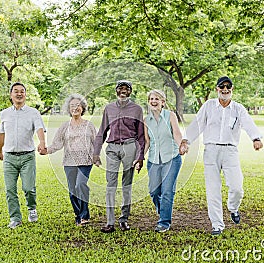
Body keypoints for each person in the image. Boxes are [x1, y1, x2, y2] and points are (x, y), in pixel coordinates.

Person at [181, 76, 263, 236]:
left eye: (228, 87)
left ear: (232, 89)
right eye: (222, 87)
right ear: (217, 89)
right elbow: (198, 124)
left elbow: (248, 122)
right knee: (213, 189)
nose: (225, 90)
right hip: (211, 150)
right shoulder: (209, 106)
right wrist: (186, 141)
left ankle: (233, 208)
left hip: (230, 151)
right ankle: (217, 225)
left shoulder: (238, 108)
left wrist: (256, 138)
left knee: (237, 187)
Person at [93, 80, 145, 233]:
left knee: (127, 185)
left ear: (130, 92)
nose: (123, 91)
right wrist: (96, 153)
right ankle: (110, 222)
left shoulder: (137, 109)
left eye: (126, 89)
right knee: (111, 184)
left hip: (130, 146)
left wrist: (140, 156)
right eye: (120, 88)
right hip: (112, 148)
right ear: (116, 91)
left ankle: (124, 219)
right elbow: (102, 131)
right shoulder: (109, 108)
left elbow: (141, 135)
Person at [42, 94, 96, 227]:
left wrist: (97, 157)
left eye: (78, 105)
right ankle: (78, 215)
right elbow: (57, 143)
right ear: (69, 109)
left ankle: (85, 215)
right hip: (69, 162)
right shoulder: (64, 126)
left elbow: (96, 142)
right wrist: (47, 150)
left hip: (85, 161)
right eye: (72, 106)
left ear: (83, 108)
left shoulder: (89, 125)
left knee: (80, 185)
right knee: (72, 191)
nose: (75, 108)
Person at [0, 82, 46, 229]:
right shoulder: (4, 113)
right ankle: (15, 218)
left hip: (27, 156)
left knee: (28, 187)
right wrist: (0, 151)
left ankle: (32, 208)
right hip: (9, 157)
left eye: (22, 91)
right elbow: (1, 134)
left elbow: (39, 129)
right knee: (10, 189)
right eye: (16, 91)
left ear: (25, 95)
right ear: (11, 95)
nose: (19, 94)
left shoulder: (33, 112)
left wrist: (42, 143)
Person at [144, 90, 188, 233]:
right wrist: (139, 158)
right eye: (151, 99)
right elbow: (147, 141)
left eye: (157, 98)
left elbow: (176, 133)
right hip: (153, 160)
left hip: (172, 159)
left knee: (167, 191)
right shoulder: (146, 120)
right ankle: (163, 209)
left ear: (163, 102)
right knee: (154, 191)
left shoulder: (170, 116)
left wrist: (181, 144)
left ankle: (164, 222)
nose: (154, 101)